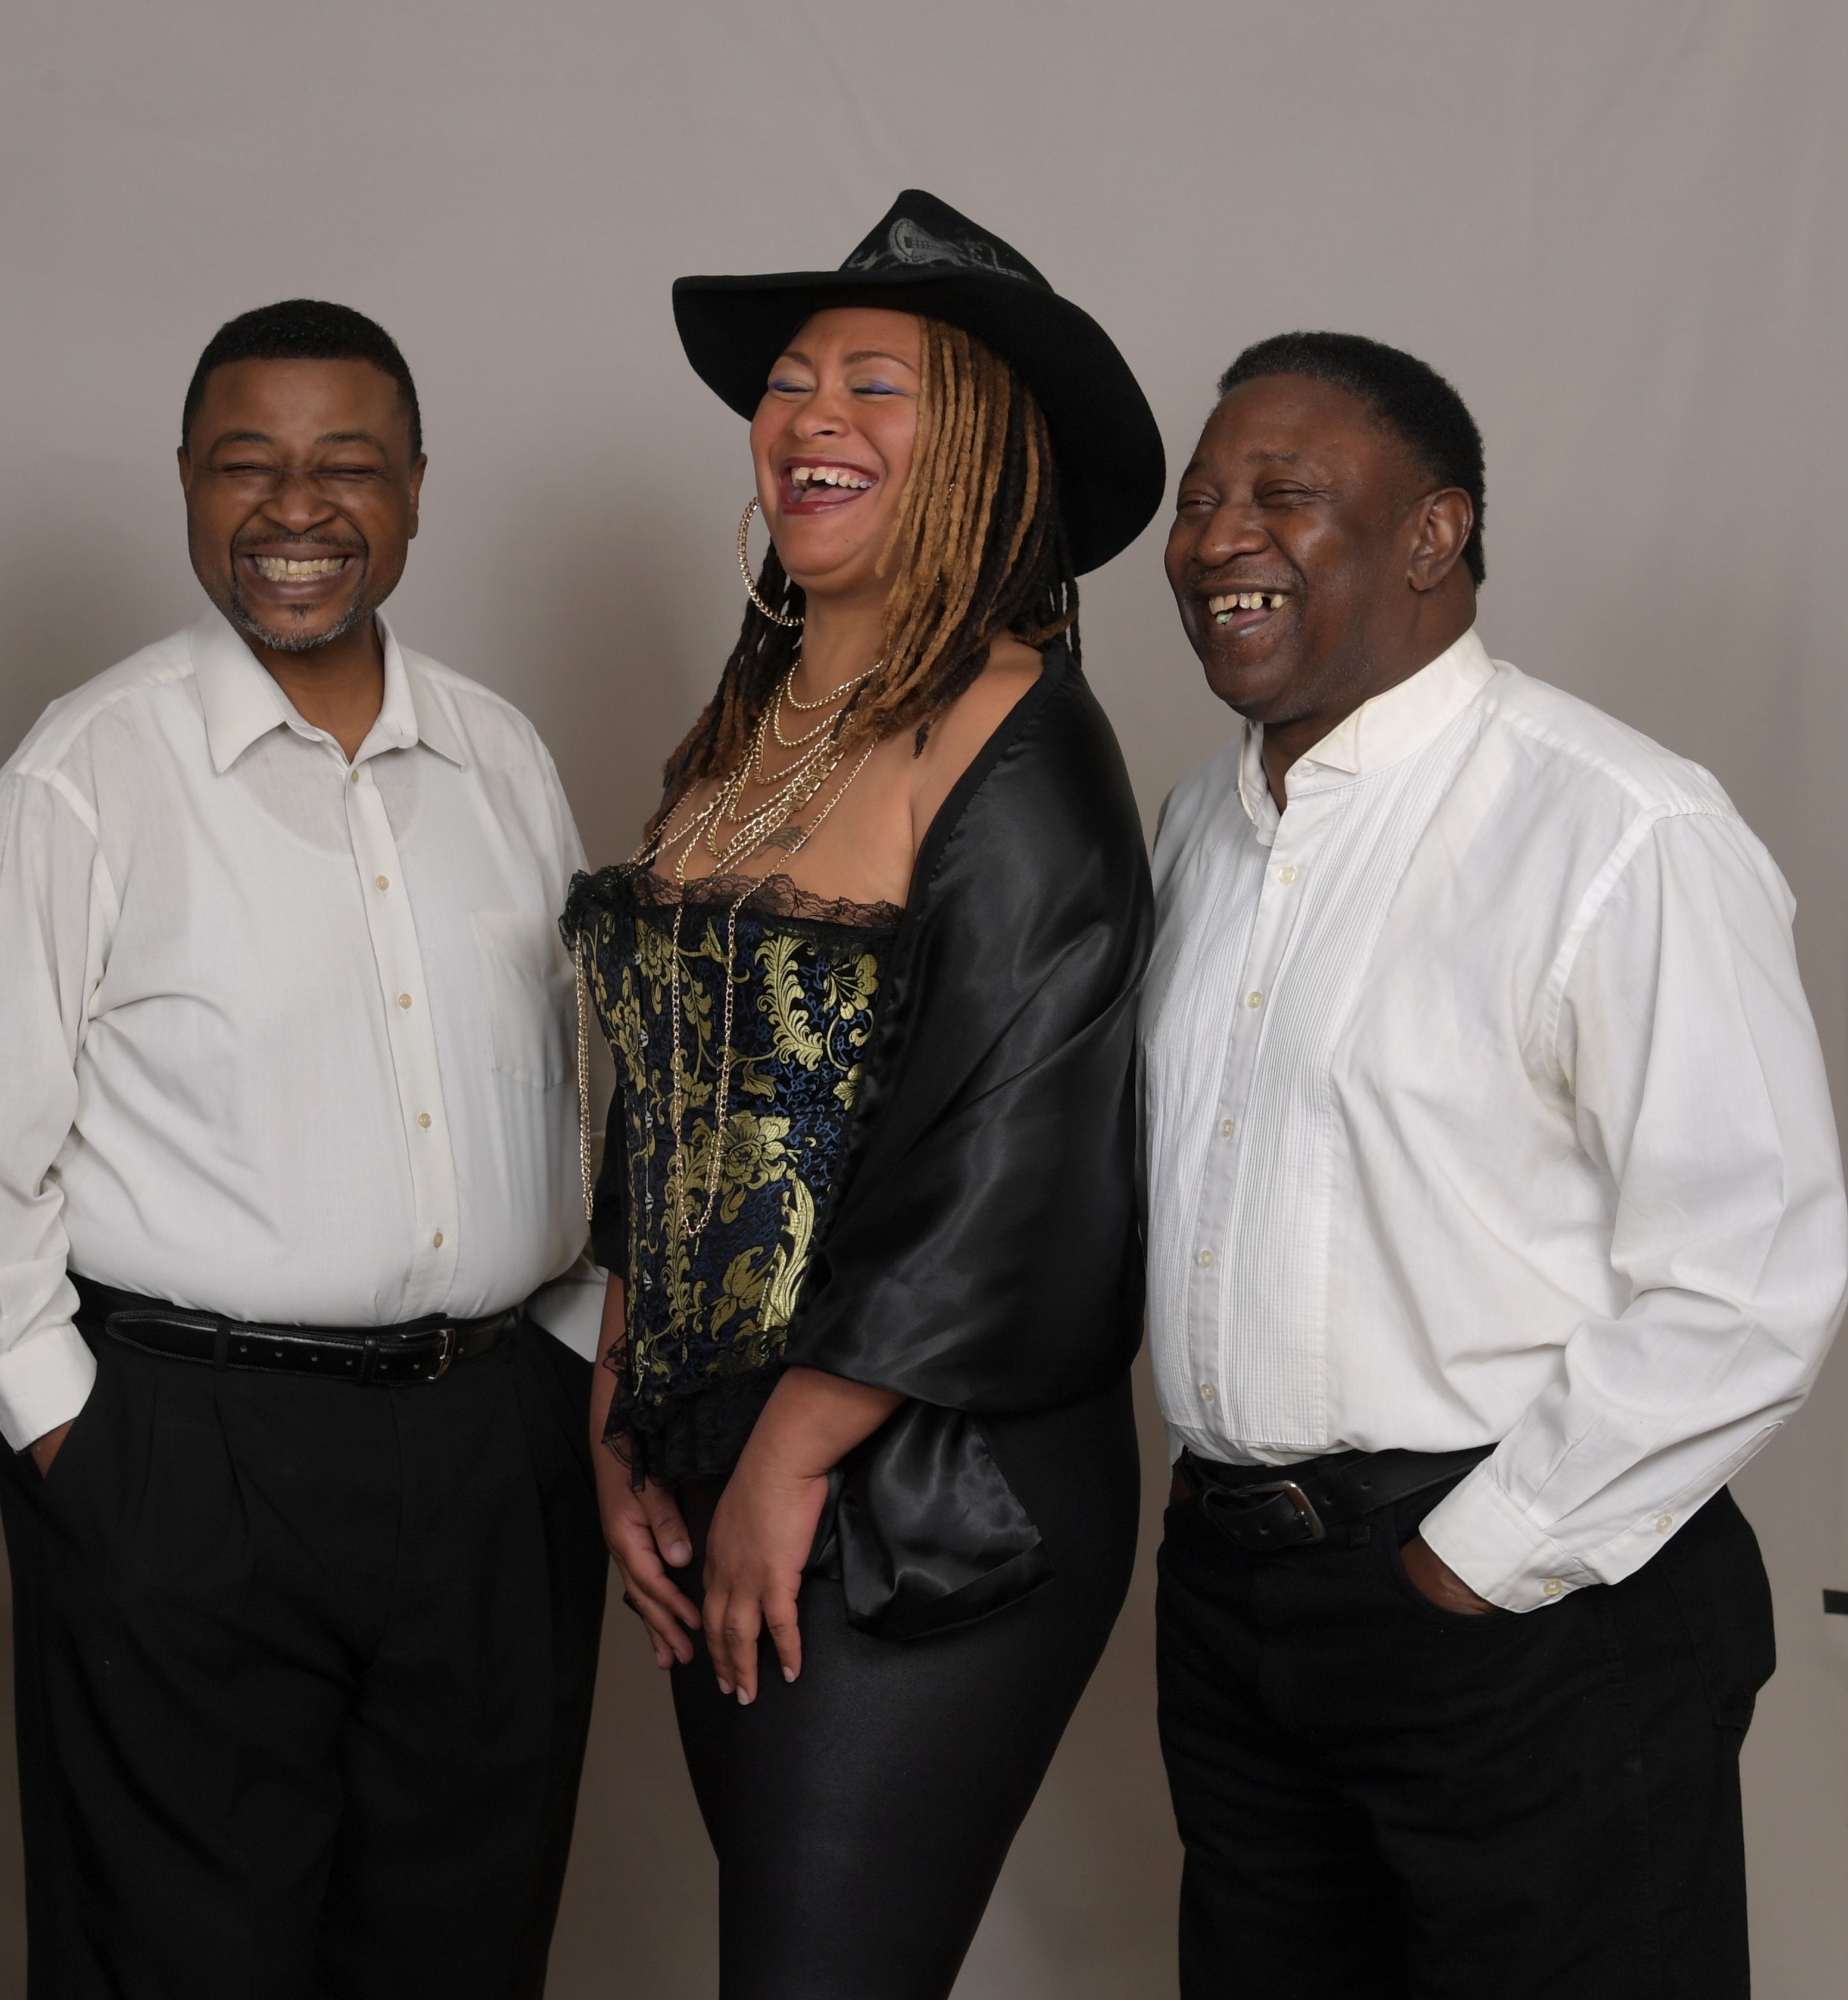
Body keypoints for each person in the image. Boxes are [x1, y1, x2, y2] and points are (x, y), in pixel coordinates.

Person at [0, 298, 607, 1999]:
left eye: (347, 464)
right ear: (185, 484)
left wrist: (571, 1360)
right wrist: (81, 1447)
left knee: (463, 1952)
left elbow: (586, 1094)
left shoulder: (506, 757)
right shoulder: (86, 772)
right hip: (186, 1452)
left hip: (494, 1447)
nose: (297, 508)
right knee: (181, 1961)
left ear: (419, 488)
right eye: (247, 465)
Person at [1142, 330, 1847, 1999]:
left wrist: (1480, 1556)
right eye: (1200, 498)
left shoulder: (1619, 826)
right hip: (1234, 1600)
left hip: (1525, 1600)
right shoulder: (1199, 828)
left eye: (1284, 494)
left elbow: (1752, 1271)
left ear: (1433, 535)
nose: (1219, 537)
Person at [566, 191, 1165, 1999]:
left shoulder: (1023, 739)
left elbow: (1017, 1162)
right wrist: (617, 1402)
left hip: (929, 1490)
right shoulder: (745, 737)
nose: (812, 413)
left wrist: (790, 1453)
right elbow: (669, 1103)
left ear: (976, 448)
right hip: (713, 1449)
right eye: (793, 380)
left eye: (877, 383)